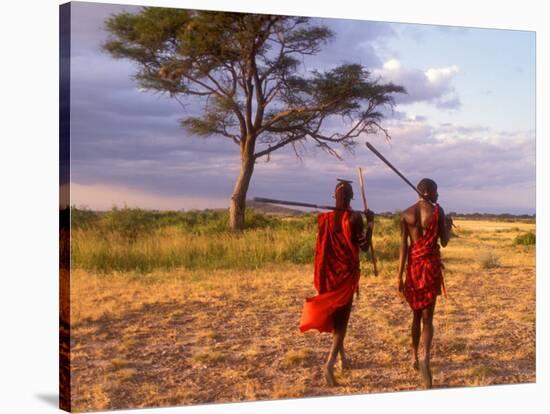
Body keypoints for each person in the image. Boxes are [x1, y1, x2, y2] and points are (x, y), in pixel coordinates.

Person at [299, 179, 374, 386]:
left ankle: (343, 359)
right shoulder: (354, 219)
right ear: (350, 198)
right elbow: (365, 246)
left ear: (335, 197)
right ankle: (330, 362)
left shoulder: (325, 219)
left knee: (337, 319)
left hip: (328, 276)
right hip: (345, 278)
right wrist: (371, 224)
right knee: (342, 322)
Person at [397, 178, 452, 389]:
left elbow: (404, 247)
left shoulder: (406, 213)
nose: (438, 195)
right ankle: (426, 359)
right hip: (429, 269)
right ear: (428, 191)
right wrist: (446, 223)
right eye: (436, 191)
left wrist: (399, 277)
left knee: (416, 315)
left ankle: (414, 357)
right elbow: (444, 242)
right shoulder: (437, 212)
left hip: (412, 269)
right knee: (428, 319)